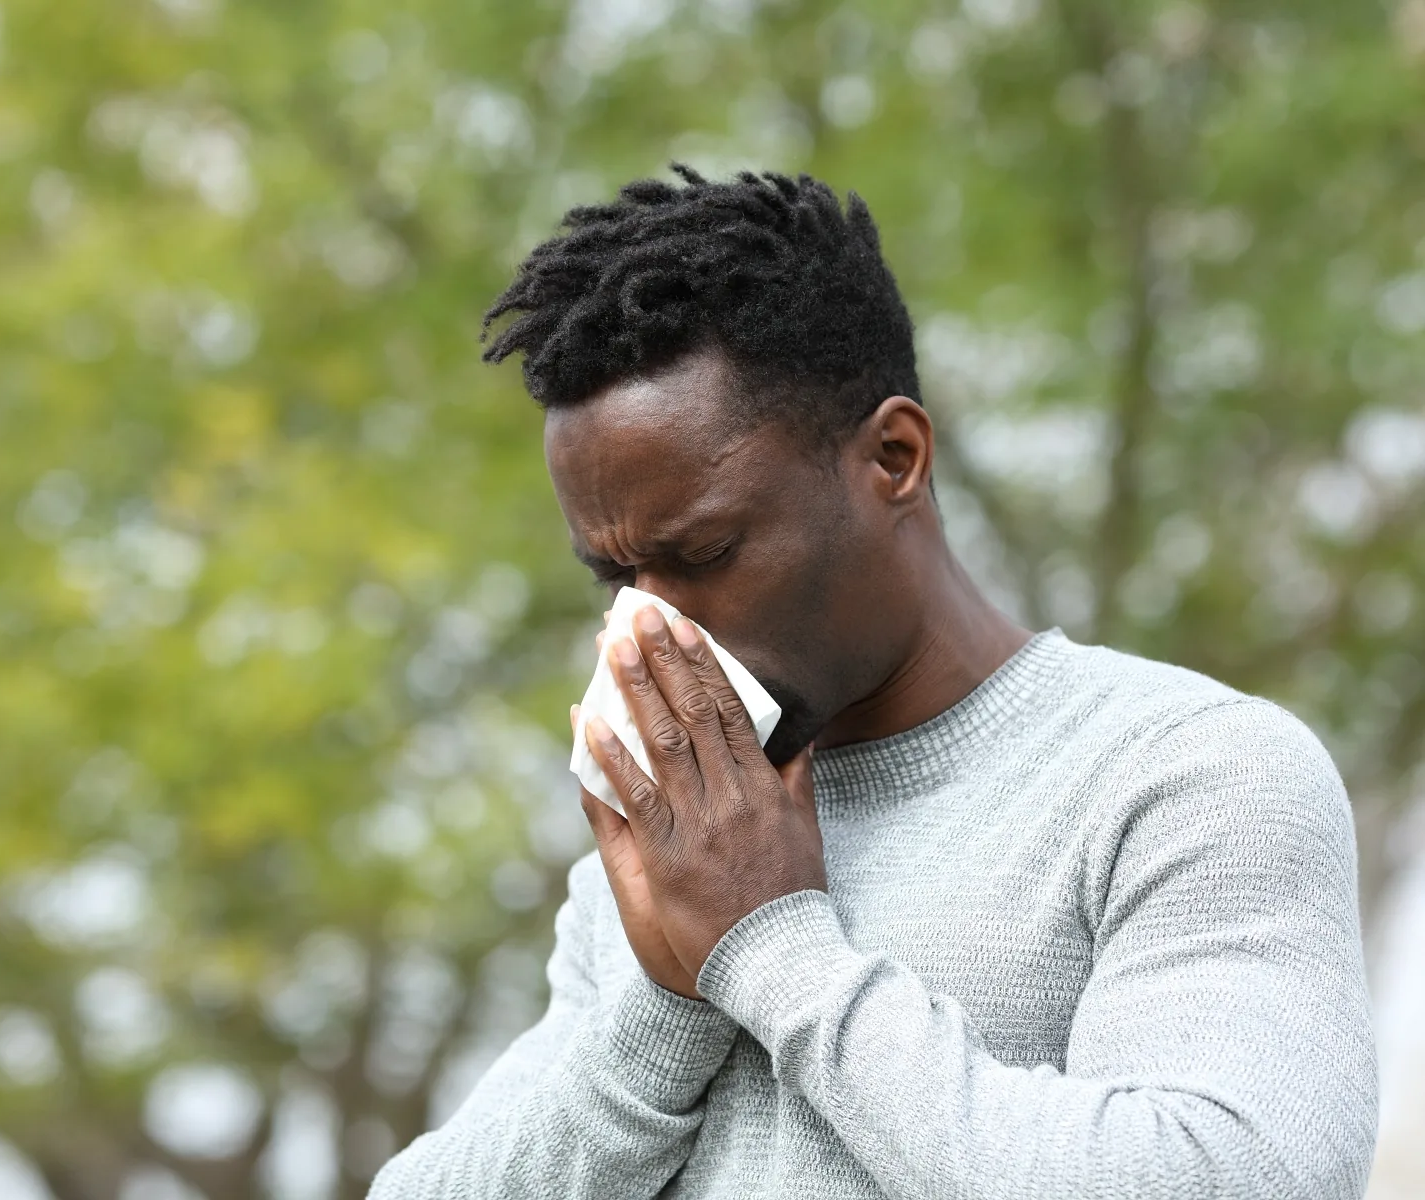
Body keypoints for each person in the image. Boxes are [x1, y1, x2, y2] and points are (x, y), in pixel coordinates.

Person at [368, 166, 1377, 1198]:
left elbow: (1236, 1180)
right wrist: (665, 1007)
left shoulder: (1185, 776)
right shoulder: (669, 849)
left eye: (706, 551)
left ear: (894, 457)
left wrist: (771, 951)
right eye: (618, 576)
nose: (648, 629)